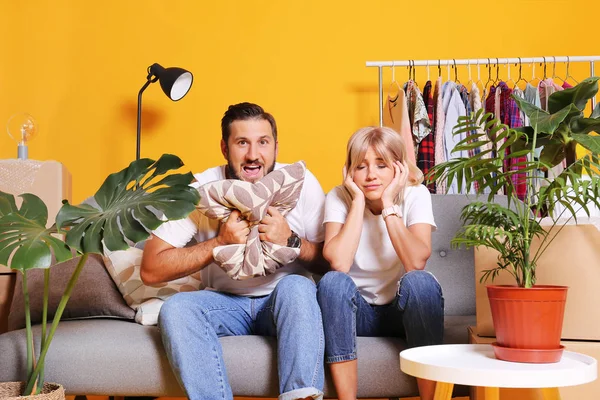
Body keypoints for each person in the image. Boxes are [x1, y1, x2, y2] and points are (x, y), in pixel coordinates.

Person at [141, 102, 328, 400]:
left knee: (298, 286)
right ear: (224, 148)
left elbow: (329, 265)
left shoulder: (300, 184)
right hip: (224, 304)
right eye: (242, 143)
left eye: (263, 142)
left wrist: (291, 240)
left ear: (276, 146)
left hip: (281, 302)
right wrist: (217, 244)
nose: (253, 155)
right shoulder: (201, 189)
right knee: (177, 309)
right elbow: (151, 269)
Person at [317, 126, 443, 400]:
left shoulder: (415, 194)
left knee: (420, 282)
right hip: (356, 313)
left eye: (381, 165)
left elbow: (415, 262)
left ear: (398, 168)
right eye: (360, 166)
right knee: (332, 282)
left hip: (401, 310)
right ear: (350, 171)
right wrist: (358, 201)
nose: (371, 174)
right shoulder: (338, 197)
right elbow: (338, 263)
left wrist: (388, 205)